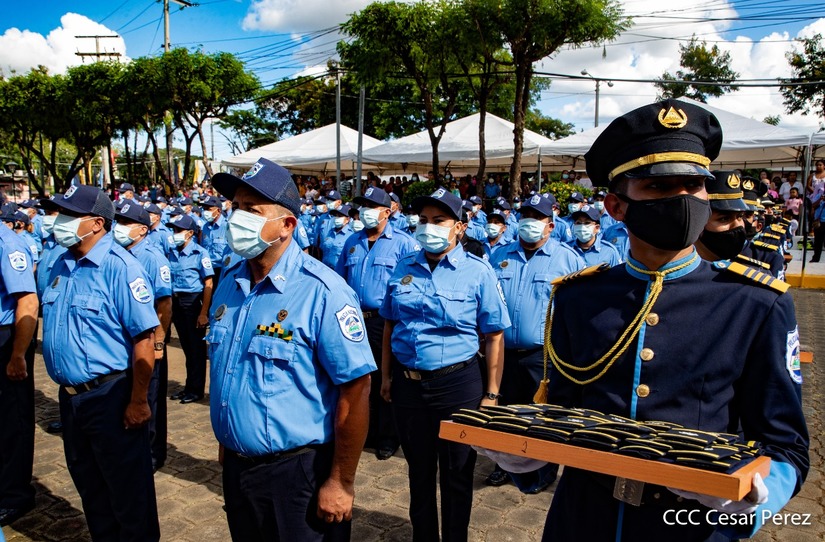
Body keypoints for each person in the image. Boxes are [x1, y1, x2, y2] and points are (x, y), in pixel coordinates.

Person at [537, 99, 808, 540]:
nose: (682, 199)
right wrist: (531, 461)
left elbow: (786, 445)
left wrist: (750, 500)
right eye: (658, 187)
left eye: (694, 185)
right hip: (584, 518)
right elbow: (561, 414)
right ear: (616, 206)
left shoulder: (754, 303)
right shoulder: (578, 297)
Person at [207, 158, 375, 541]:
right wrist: (229, 438)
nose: (237, 218)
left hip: (298, 474)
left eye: (252, 210)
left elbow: (355, 389)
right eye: (235, 207)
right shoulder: (230, 282)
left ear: (287, 225)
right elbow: (229, 370)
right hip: (238, 468)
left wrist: (341, 481)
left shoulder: (324, 292)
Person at [380, 187, 509, 541]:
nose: (429, 227)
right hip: (409, 386)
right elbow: (391, 324)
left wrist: (492, 394)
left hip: (457, 386)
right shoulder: (405, 266)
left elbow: (494, 335)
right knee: (419, 473)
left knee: (457, 473)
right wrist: (387, 376)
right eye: (423, 220)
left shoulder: (478, 271)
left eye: (439, 220)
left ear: (460, 227)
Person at [40, 185, 160, 541]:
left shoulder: (121, 268)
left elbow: (144, 339)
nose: (59, 221)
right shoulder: (61, 262)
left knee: (129, 495)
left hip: (110, 397)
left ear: (95, 223)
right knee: (91, 488)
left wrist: (138, 401)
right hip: (71, 398)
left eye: (69, 215)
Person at [486, 193, 582, 491]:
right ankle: (504, 464)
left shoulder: (567, 258)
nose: (529, 223)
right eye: (525, 216)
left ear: (550, 225)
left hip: (542, 355)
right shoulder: (500, 255)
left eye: (537, 218)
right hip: (502, 351)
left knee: (541, 415)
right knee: (505, 412)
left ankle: (543, 470)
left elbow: (578, 311)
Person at [335, 187, 418, 460]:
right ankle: (366, 432)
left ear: (387, 211)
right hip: (354, 319)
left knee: (386, 376)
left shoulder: (404, 243)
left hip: (385, 321)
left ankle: (388, 435)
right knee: (359, 376)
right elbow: (340, 279)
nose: (365, 212)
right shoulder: (353, 241)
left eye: (372, 206)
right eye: (363, 206)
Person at [113, 202, 173, 471]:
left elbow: (164, 304)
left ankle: (153, 454)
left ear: (142, 229)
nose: (119, 227)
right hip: (130, 340)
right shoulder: (119, 254)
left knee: (152, 399)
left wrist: (159, 342)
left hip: (150, 341)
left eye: (126, 223)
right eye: (118, 221)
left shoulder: (152, 257)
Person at [0, 205, 38, 527]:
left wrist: (18, 354)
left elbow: (27, 301)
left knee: (13, 419)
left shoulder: (9, 244)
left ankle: (15, 494)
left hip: (5, 337)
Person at [166, 213, 214, 404]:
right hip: (176, 302)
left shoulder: (200, 253)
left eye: (179, 230)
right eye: (174, 230)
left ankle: (196, 390)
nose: (175, 233)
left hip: (192, 303)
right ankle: (188, 386)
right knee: (186, 347)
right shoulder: (172, 252)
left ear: (190, 233)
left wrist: (203, 313)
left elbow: (208, 283)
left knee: (196, 350)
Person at [200, 195, 229, 283]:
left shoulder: (227, 226)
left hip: (221, 270)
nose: (205, 212)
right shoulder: (205, 227)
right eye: (204, 209)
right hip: (207, 269)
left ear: (218, 210)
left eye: (209, 209)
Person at [320, 203, 354, 269]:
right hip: (325, 268)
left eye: (340, 216)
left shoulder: (350, 235)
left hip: (339, 271)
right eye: (336, 215)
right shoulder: (330, 232)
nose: (337, 218)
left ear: (347, 219)